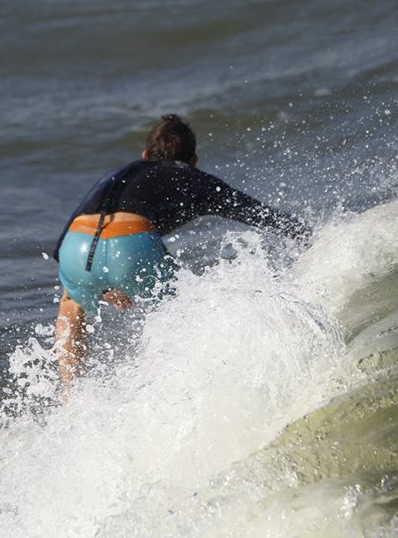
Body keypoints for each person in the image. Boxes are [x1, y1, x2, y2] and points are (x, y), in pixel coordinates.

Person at [52, 114, 310, 396]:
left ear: (145, 154)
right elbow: (251, 211)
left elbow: (65, 248)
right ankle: (191, 392)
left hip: (75, 248)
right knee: (187, 310)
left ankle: (69, 392)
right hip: (129, 247)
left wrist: (102, 286)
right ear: (193, 160)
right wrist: (303, 234)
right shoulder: (190, 176)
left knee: (70, 301)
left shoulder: (113, 176)